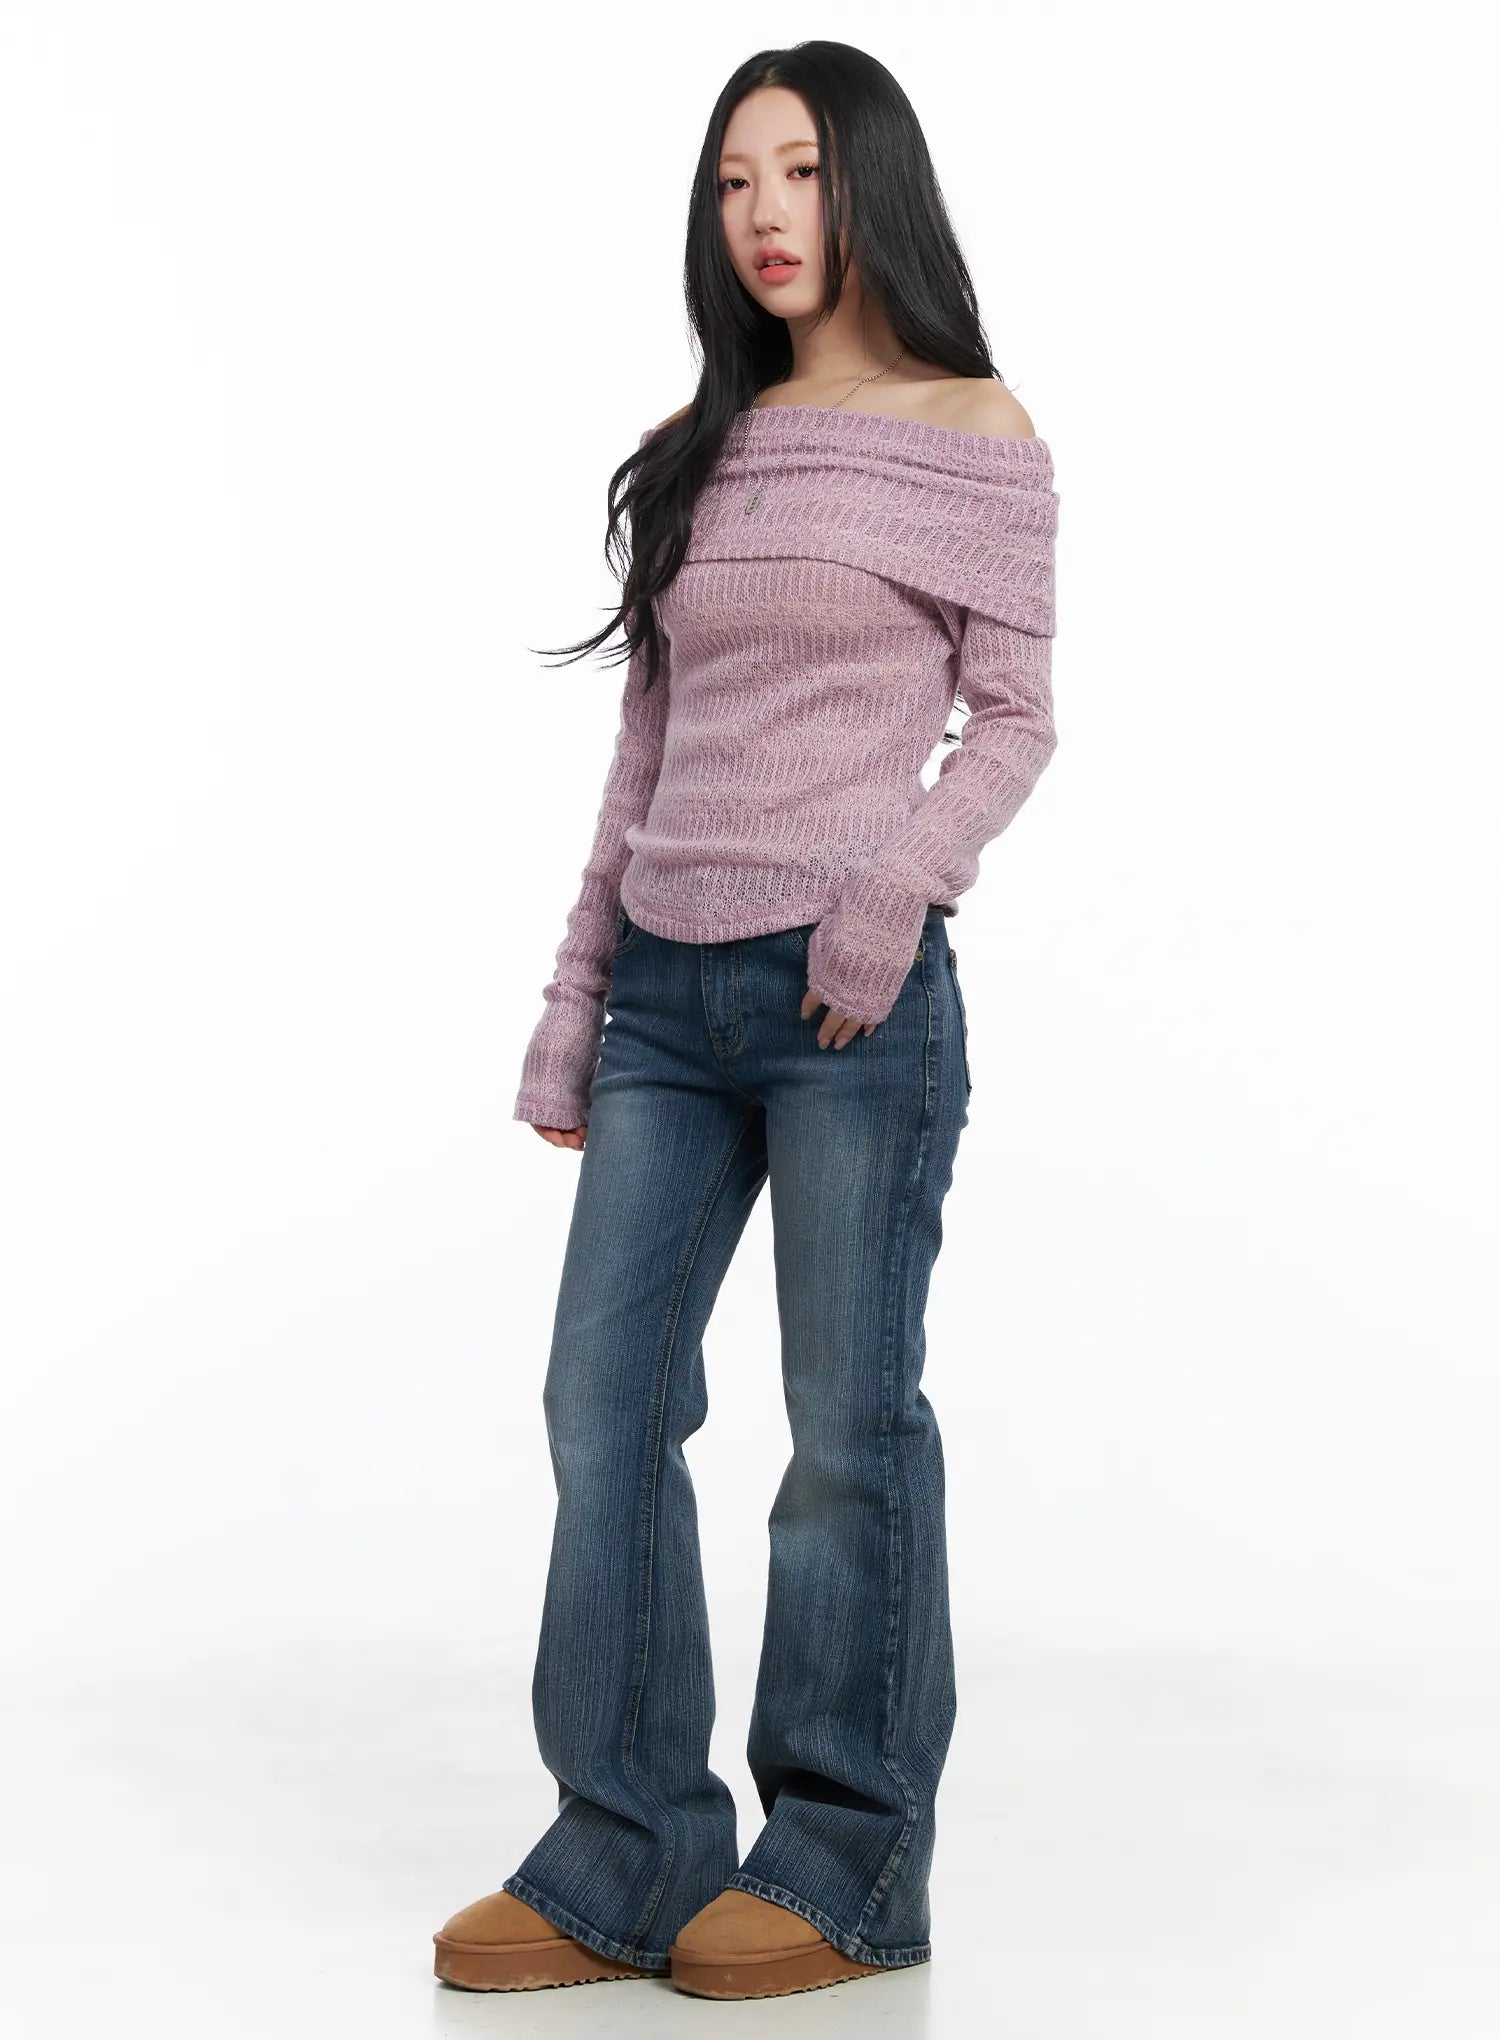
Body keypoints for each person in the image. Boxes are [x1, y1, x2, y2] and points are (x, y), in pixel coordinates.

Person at [432, 37, 1059, 2003]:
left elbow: (1018, 720)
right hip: (666, 998)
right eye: (733, 182)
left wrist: (889, 899)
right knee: (602, 1402)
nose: (766, 215)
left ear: (872, 186)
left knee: (847, 1430)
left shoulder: (973, 430)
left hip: (850, 1008)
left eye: (798, 172)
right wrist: (573, 1005)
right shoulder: (703, 444)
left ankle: (850, 1863)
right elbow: (645, 754)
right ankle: (627, 1846)